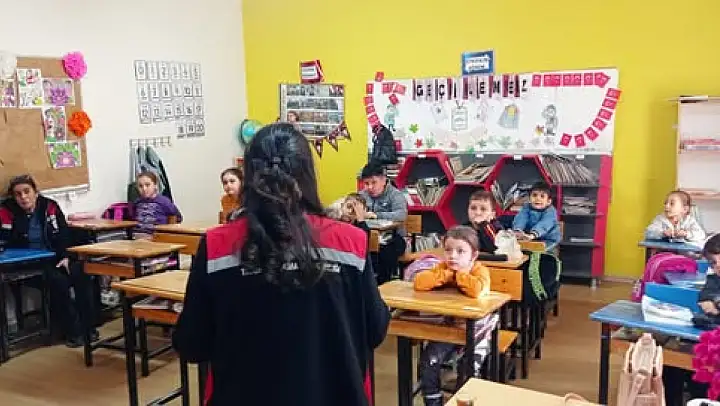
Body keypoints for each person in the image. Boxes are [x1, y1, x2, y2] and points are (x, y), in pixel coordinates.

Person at [173, 123, 390, 406]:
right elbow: (375, 330)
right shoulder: (350, 241)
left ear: (249, 178)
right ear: (308, 174)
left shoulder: (217, 246)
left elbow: (192, 344)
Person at [0, 175, 97, 347]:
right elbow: (5, 238)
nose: (23, 197)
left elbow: (63, 234)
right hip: (29, 262)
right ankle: (74, 332)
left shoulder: (49, 206)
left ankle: (89, 328)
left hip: (54, 257)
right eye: (18, 194)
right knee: (59, 281)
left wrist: (65, 256)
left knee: (81, 273)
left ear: (35, 192)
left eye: (27, 192)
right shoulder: (7, 210)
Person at [412, 225, 498, 406]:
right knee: (429, 361)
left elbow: (477, 290)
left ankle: (462, 400)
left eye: (460, 251)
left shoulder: (479, 270)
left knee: (468, 369)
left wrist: (460, 275)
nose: (453, 256)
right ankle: (433, 401)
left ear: (473, 255)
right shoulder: (443, 268)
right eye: (448, 250)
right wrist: (445, 275)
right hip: (449, 328)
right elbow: (419, 282)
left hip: (477, 331)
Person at [359, 162, 408, 283]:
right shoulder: (362, 195)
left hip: (394, 238)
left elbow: (401, 215)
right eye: (366, 183)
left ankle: (383, 284)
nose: (370, 187)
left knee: (385, 252)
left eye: (373, 182)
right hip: (369, 237)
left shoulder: (395, 195)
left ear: (383, 180)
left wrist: (376, 215)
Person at [511, 182, 561, 252]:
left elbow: (544, 224)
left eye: (542, 196)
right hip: (529, 237)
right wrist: (517, 230)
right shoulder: (526, 207)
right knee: (516, 248)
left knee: (538, 252)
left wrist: (533, 234)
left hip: (548, 239)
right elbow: (521, 218)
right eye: (534, 195)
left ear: (548, 202)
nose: (537, 198)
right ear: (529, 199)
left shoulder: (551, 212)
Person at [133, 171, 182, 235]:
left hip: (156, 236)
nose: (144, 189)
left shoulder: (164, 201)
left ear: (155, 185)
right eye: (140, 186)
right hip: (138, 234)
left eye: (147, 185)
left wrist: (168, 231)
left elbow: (177, 217)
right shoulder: (137, 202)